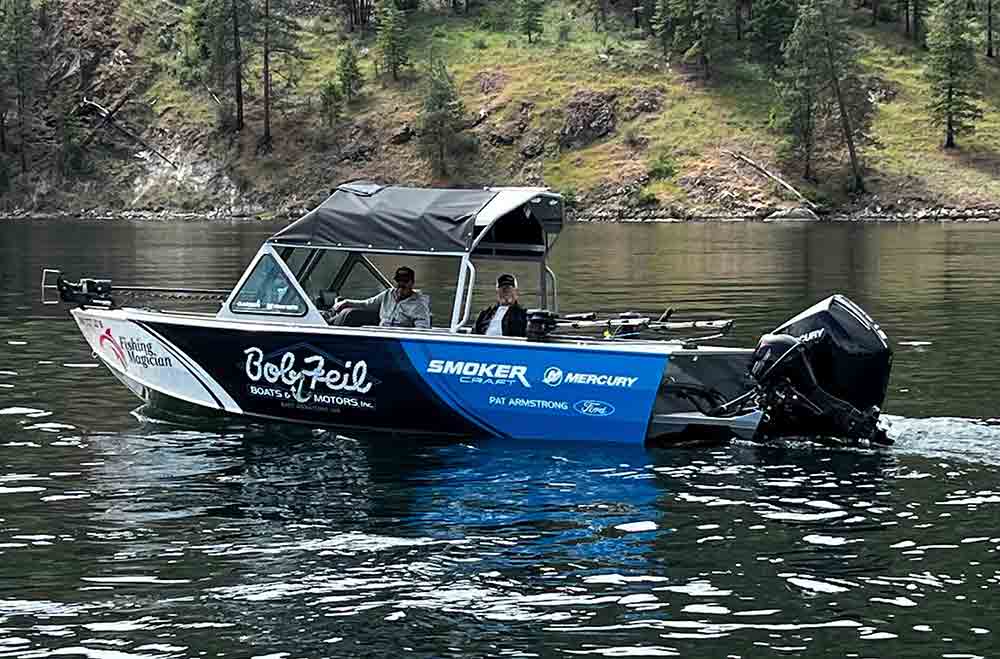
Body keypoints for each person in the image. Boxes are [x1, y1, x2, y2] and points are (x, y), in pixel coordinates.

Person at [332, 266, 431, 328]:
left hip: (398, 339)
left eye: (405, 281)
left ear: (412, 283)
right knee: (346, 315)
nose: (401, 284)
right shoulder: (388, 294)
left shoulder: (419, 304)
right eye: (399, 281)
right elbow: (366, 304)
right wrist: (346, 302)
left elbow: (422, 328)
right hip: (380, 332)